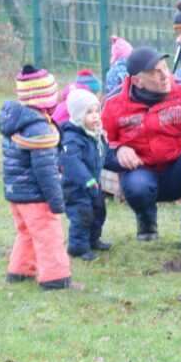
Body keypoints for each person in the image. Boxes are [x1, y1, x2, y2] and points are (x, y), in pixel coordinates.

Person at [102, 46, 181, 254]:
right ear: (137, 81)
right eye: (155, 72)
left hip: (179, 169)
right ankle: (146, 218)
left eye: (165, 68)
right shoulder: (113, 103)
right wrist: (117, 151)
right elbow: (98, 145)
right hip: (141, 172)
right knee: (137, 186)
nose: (165, 76)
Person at [0, 65, 75, 290]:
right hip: (35, 195)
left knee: (26, 232)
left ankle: (20, 271)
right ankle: (56, 279)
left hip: (16, 193)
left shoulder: (18, 122)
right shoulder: (40, 130)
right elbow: (45, 171)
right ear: (44, 99)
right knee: (48, 234)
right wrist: (56, 200)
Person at [60, 89, 110, 261]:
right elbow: (72, 163)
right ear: (78, 115)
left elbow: (104, 156)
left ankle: (93, 239)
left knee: (99, 211)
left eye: (97, 111)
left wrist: (121, 163)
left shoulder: (96, 135)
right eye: (89, 112)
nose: (95, 116)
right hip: (76, 187)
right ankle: (78, 247)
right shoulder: (71, 138)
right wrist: (86, 180)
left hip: (94, 186)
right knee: (83, 215)